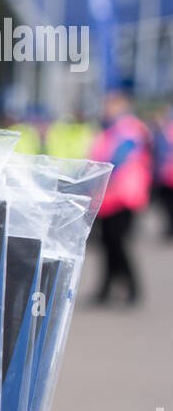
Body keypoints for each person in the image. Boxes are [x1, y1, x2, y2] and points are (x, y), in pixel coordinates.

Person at [89, 87, 152, 305]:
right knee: (107, 243)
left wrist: (100, 176)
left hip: (124, 195)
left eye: (113, 104)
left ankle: (132, 288)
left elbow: (119, 159)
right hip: (108, 196)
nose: (108, 108)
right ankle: (106, 288)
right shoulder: (108, 130)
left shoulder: (129, 128)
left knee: (118, 242)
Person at [151, 105, 173, 239]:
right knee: (166, 204)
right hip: (164, 176)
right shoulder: (162, 132)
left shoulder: (166, 131)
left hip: (167, 175)